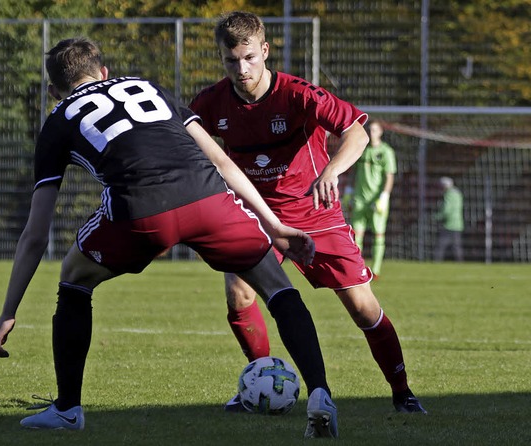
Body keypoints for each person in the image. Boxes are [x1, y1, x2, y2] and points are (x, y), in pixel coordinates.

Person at [0, 37, 339, 438]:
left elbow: (36, 233)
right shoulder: (147, 87)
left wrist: (8, 311)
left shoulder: (58, 118)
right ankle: (320, 392)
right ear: (104, 72)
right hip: (210, 200)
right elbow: (221, 160)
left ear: (53, 91)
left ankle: (67, 409)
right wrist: (274, 227)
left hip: (142, 212)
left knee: (73, 276)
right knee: (276, 284)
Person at [189, 11, 426, 416]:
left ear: (264, 50)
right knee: (238, 292)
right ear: (222, 59)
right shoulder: (211, 103)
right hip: (256, 217)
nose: (241, 68)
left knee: (362, 308)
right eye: (231, 61)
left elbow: (356, 132)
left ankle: (402, 392)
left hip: (316, 214)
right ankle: (259, 381)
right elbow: (187, 144)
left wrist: (332, 170)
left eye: (249, 57)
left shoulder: (298, 94)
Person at [344, 119, 397, 279]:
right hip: (360, 198)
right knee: (356, 234)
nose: (371, 133)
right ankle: (358, 268)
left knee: (378, 234)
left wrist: (384, 196)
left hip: (377, 200)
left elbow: (389, 176)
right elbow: (353, 171)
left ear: (380, 132)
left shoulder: (386, 151)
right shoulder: (361, 150)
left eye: (374, 130)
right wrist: (348, 191)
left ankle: (376, 270)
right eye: (369, 130)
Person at [434, 176, 464, 261]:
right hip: (458, 224)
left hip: (449, 224)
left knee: (440, 246)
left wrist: (436, 217)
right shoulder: (458, 194)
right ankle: (460, 264)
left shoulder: (449, 194)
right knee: (457, 247)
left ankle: (437, 263)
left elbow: (446, 210)